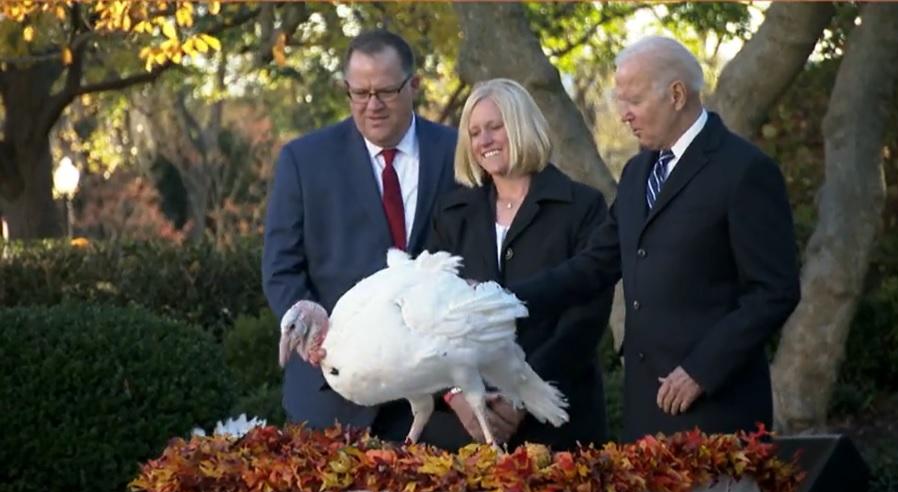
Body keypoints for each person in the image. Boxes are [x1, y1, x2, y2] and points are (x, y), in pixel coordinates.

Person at [509, 36, 801, 442]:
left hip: (717, 411)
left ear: (677, 94)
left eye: (633, 101)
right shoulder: (635, 174)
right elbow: (595, 265)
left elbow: (774, 291)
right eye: (619, 101)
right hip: (645, 409)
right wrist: (503, 300)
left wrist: (701, 370)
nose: (623, 115)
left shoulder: (745, 171)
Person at [261, 29, 461, 446]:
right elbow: (281, 269)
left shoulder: (456, 152)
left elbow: (474, 254)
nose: (373, 105)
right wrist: (307, 321)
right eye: (360, 93)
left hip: (437, 398)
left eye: (386, 91)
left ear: (415, 85)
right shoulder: (303, 160)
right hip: (332, 397)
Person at [426, 78, 613, 450]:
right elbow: (427, 318)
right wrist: (457, 396)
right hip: (466, 430)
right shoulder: (451, 214)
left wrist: (523, 396)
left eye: (496, 127)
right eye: (475, 132)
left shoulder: (582, 207)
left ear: (522, 125)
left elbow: (585, 320)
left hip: (558, 426)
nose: (485, 140)